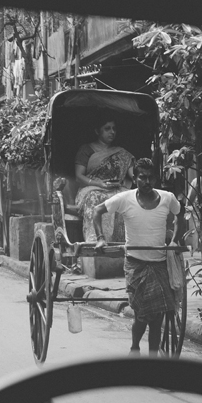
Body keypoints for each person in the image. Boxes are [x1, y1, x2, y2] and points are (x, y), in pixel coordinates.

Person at [93, 158, 181, 356]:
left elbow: (179, 216)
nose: (147, 182)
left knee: (157, 317)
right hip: (135, 265)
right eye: (142, 177)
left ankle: (151, 360)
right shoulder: (125, 198)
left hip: (159, 265)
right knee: (142, 316)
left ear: (156, 178)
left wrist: (174, 240)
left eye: (151, 178)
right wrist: (100, 239)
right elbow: (97, 211)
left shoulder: (168, 198)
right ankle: (134, 346)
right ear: (135, 178)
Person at [74, 115, 134, 244]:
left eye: (114, 129)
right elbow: (79, 176)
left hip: (116, 188)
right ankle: (95, 241)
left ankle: (125, 241)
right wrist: (99, 184)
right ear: (97, 131)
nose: (112, 132)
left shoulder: (121, 153)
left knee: (128, 198)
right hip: (92, 188)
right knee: (95, 198)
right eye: (107, 128)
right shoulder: (86, 150)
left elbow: (133, 174)